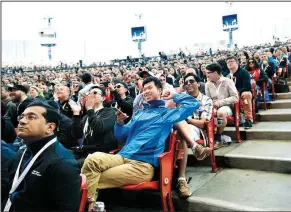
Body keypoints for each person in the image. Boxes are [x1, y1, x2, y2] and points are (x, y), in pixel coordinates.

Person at [81, 77, 207, 211]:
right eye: (144, 89)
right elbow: (121, 135)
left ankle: (89, 206)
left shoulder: (167, 114)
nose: (145, 91)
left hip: (142, 166)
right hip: (122, 157)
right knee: (92, 159)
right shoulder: (138, 114)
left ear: (159, 90)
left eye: (149, 88)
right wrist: (119, 123)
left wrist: (174, 95)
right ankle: (92, 206)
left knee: (89, 177)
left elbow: (193, 104)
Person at [2, 101, 80, 212]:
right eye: (22, 116)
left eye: (31, 117)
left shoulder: (62, 164)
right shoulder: (23, 152)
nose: (22, 121)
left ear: (50, 127)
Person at [70, 86, 118, 167]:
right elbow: (76, 135)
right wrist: (76, 114)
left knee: (69, 166)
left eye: (95, 93)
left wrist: (89, 109)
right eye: (89, 93)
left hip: (101, 154)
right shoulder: (86, 116)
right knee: (58, 160)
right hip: (85, 152)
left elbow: (99, 128)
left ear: (103, 98)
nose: (91, 95)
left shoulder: (111, 112)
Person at [205, 63, 239, 149]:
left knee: (220, 113)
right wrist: (212, 106)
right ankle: (207, 137)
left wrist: (220, 103)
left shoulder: (227, 81)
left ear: (215, 72)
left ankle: (218, 137)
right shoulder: (208, 84)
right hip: (213, 106)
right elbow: (208, 99)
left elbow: (235, 97)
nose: (207, 75)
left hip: (227, 106)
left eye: (209, 73)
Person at [226, 56, 253, 129]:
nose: (230, 63)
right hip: (231, 96)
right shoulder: (227, 76)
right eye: (228, 62)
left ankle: (248, 119)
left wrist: (236, 93)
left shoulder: (244, 72)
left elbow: (247, 87)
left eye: (232, 61)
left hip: (242, 93)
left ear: (237, 63)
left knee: (246, 94)